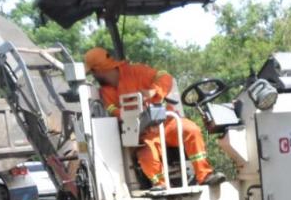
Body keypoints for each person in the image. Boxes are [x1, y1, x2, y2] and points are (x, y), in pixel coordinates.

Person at [83, 47, 226, 190]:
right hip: (142, 132)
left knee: (191, 129)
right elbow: (113, 110)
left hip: (166, 122)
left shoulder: (136, 71)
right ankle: (160, 183)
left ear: (98, 70)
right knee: (147, 152)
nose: (93, 76)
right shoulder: (105, 92)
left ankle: (205, 175)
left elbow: (165, 76)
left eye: (93, 73)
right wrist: (130, 114)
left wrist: (154, 90)